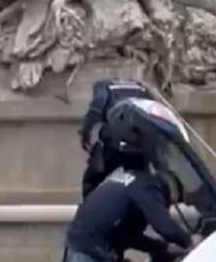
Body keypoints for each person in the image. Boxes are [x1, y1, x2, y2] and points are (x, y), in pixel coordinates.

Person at [64, 109, 200, 262]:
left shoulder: (131, 183)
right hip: (89, 253)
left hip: (78, 247)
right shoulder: (149, 185)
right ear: (170, 189)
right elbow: (164, 226)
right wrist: (190, 241)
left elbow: (128, 236)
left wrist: (162, 248)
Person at [80, 79, 154, 198]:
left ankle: (88, 210)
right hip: (140, 142)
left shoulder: (103, 85)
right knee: (142, 179)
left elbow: (96, 108)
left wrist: (85, 133)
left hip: (115, 140)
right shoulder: (141, 87)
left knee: (92, 179)